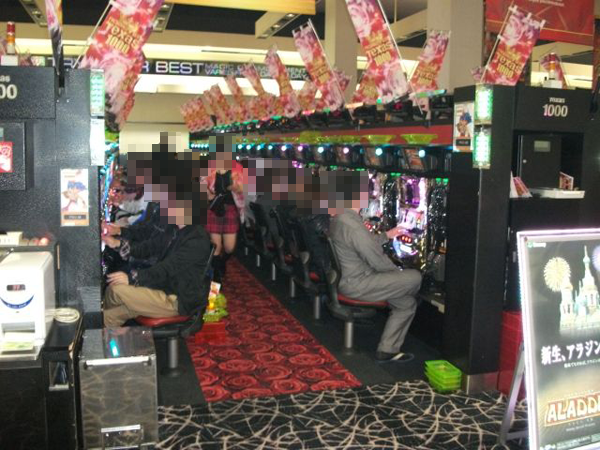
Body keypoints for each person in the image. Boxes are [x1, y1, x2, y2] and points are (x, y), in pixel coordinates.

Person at [101, 163, 212, 328]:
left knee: (116, 289)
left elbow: (166, 269)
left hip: (177, 300)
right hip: (163, 288)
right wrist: (115, 242)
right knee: (107, 317)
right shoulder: (174, 229)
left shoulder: (197, 239)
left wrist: (131, 278)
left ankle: (110, 332)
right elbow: (148, 247)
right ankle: (106, 339)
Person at [328, 171, 422, 362]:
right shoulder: (352, 224)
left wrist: (387, 235)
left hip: (354, 278)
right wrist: (398, 277)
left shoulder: (341, 217)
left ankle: (387, 350)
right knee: (415, 277)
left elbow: (364, 244)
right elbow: (376, 259)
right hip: (359, 283)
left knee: (406, 304)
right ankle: (409, 289)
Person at [204, 137, 245, 282]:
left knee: (229, 247)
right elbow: (203, 187)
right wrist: (208, 193)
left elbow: (242, 189)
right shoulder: (209, 168)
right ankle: (216, 275)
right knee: (216, 246)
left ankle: (221, 262)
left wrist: (233, 186)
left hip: (230, 208)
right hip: (214, 208)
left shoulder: (237, 168)